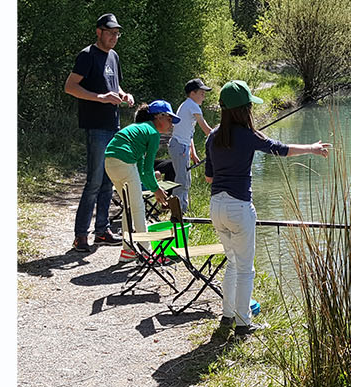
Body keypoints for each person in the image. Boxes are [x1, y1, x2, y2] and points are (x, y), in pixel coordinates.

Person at [204, 81, 330, 339]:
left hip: (216, 206)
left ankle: (227, 316)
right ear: (245, 110)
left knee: (231, 263)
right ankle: (243, 325)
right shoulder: (249, 135)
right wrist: (312, 149)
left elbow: (209, 177)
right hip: (239, 207)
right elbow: (281, 149)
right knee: (245, 269)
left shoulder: (213, 136)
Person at [64, 13, 134, 253]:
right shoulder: (87, 55)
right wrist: (100, 98)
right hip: (96, 126)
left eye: (117, 33)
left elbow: (115, 85)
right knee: (94, 181)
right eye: (110, 32)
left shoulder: (114, 56)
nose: (114, 37)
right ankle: (81, 236)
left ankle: (102, 230)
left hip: (113, 125)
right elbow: (70, 86)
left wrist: (124, 95)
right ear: (99, 32)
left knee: (108, 181)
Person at [104, 101, 177, 262]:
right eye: (169, 119)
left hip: (109, 162)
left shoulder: (140, 130)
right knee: (137, 208)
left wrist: (153, 188)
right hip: (124, 161)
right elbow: (149, 169)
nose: (171, 124)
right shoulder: (153, 133)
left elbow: (141, 170)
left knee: (129, 207)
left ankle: (128, 250)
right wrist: (156, 189)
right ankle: (147, 252)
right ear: (159, 117)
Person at [167, 78, 214, 211]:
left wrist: (193, 153)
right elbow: (205, 128)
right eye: (201, 93)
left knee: (185, 180)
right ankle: (178, 212)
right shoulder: (192, 106)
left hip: (181, 146)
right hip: (179, 146)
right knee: (182, 181)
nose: (204, 97)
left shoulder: (186, 105)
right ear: (192, 93)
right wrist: (219, 138)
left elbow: (189, 133)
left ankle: (182, 210)